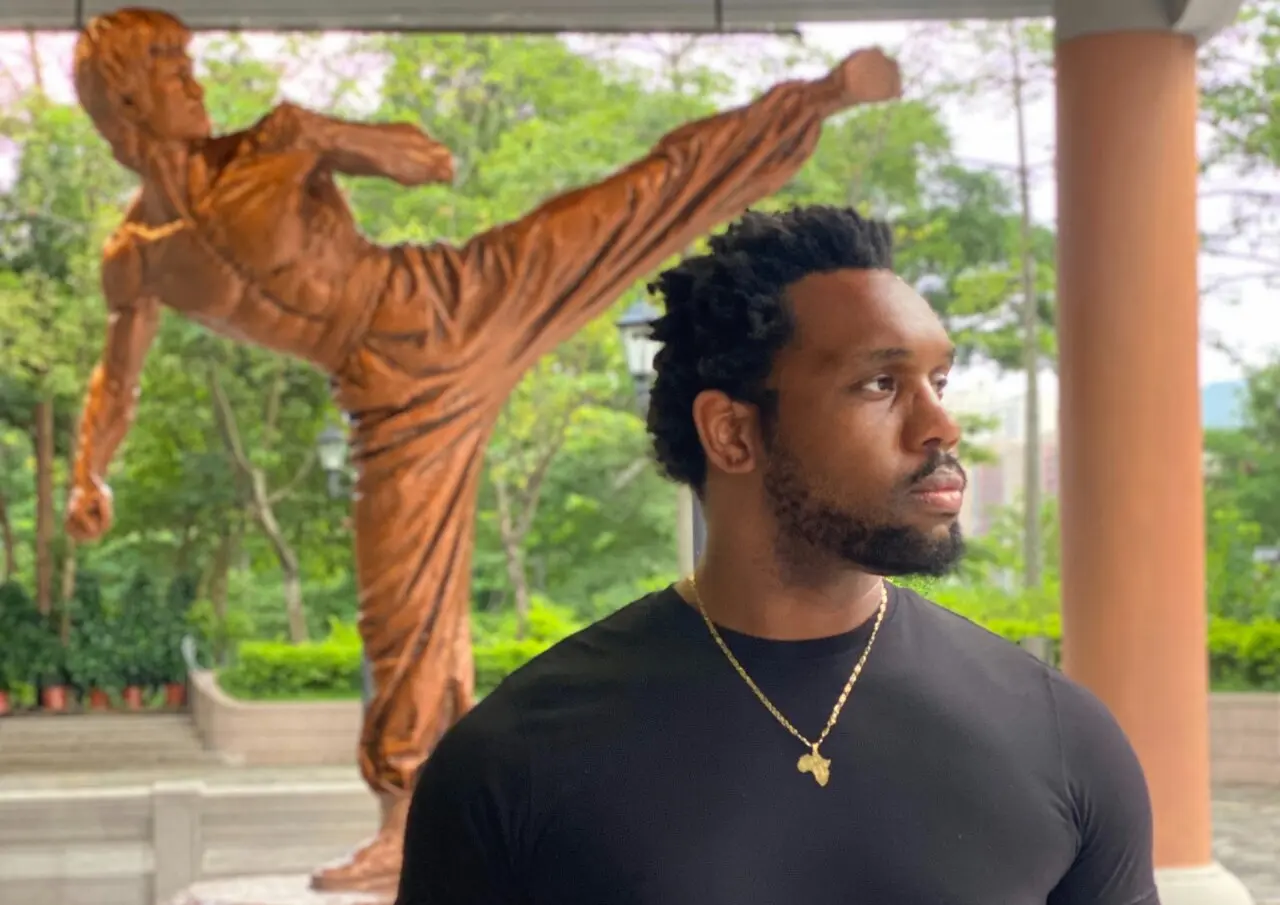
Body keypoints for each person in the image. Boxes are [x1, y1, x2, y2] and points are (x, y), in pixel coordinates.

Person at [64, 8, 902, 891]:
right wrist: (89, 469)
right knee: (401, 613)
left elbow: (420, 157)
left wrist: (336, 139)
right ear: (118, 96)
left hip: (446, 303)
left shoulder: (275, 142)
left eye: (184, 56)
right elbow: (115, 379)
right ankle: (408, 825)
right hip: (386, 393)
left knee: (629, 204)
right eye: (166, 63)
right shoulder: (135, 257)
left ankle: (819, 96)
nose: (191, 78)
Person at [396, 205, 1160, 905]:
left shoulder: (1062, 738)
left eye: (938, 380)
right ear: (731, 432)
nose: (941, 425)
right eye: (879, 384)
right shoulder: (512, 763)